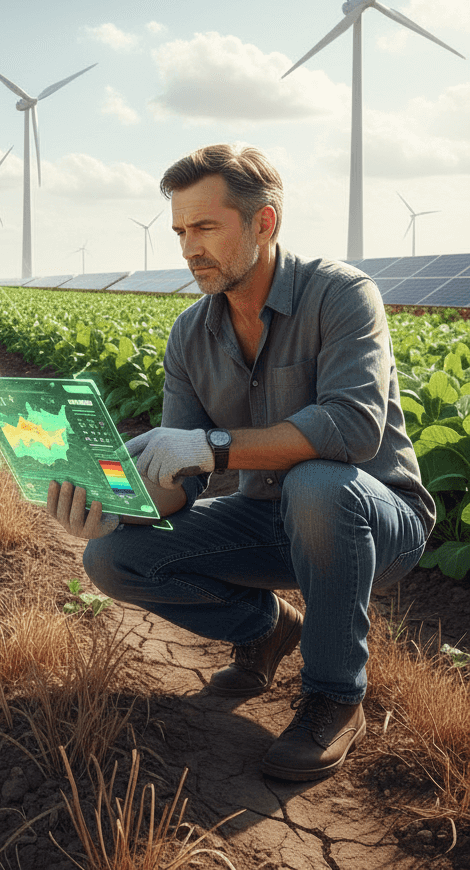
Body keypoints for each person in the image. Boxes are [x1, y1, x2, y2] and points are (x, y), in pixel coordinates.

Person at [46, 143, 434, 782]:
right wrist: (115, 507)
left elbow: (352, 426)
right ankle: (266, 629)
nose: (187, 247)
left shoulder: (340, 295)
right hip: (265, 518)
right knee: (112, 558)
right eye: (179, 230)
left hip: (374, 521)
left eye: (204, 227)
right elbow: (182, 483)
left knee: (318, 483)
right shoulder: (189, 334)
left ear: (264, 222)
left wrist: (213, 444)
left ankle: (336, 696)